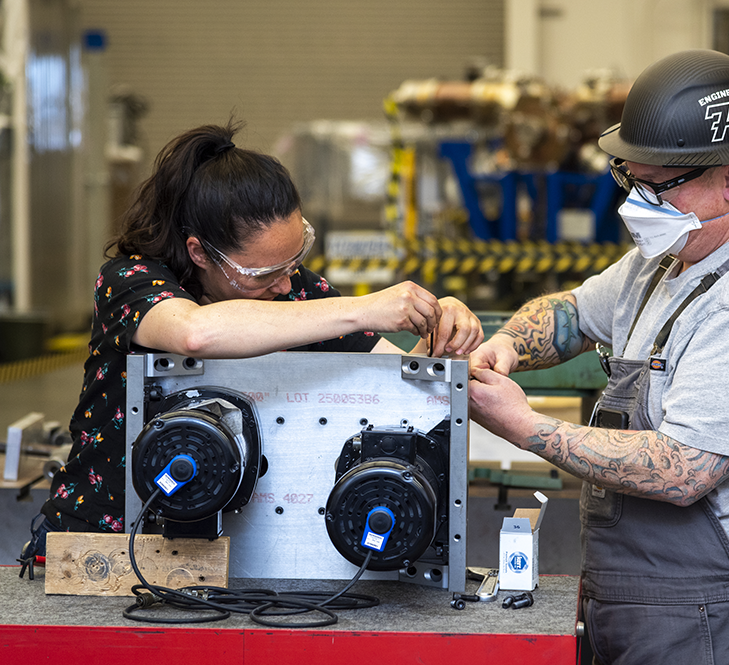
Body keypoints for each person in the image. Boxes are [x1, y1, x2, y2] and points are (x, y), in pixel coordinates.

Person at [468, 49, 729, 664]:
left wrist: (525, 427)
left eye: (657, 186)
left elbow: (682, 470)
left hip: (724, 617)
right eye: (628, 178)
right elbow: (570, 315)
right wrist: (506, 343)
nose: (637, 203)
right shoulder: (665, 261)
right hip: (649, 602)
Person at [23, 119, 483, 557]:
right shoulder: (131, 282)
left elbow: (399, 384)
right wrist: (364, 307)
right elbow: (195, 333)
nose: (286, 285)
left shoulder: (293, 289)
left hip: (236, 556)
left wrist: (441, 336)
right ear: (199, 252)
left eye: (294, 260)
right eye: (265, 272)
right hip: (104, 545)